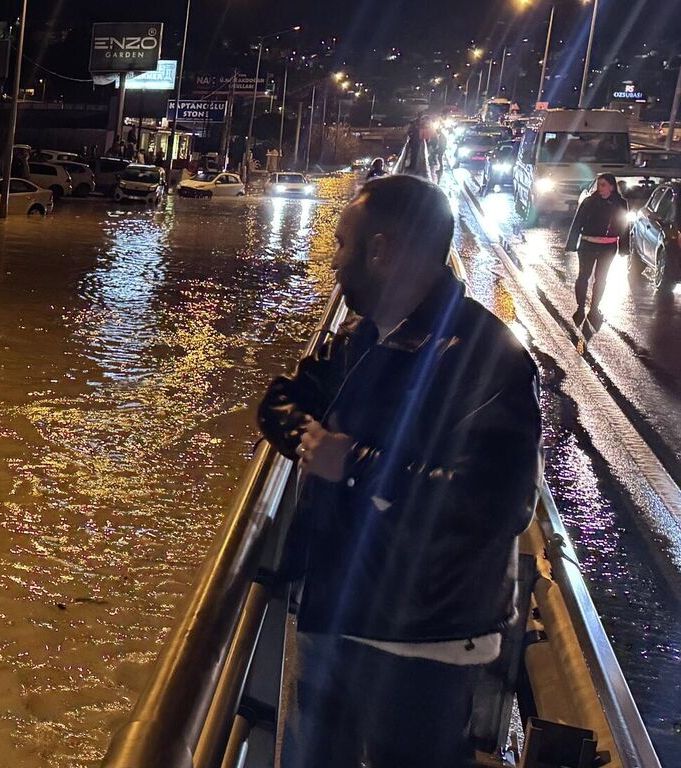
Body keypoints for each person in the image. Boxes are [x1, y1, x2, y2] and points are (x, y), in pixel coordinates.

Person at [258, 175, 541, 768]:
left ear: (380, 249)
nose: (333, 262)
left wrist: (356, 467)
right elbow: (281, 400)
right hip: (339, 611)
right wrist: (314, 442)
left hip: (424, 639)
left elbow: (497, 503)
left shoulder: (490, 359)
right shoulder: (362, 337)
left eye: (341, 243)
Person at [565, 172, 631, 327]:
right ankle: (580, 307)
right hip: (588, 244)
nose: (600, 188)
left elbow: (624, 227)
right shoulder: (589, 202)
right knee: (583, 276)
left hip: (608, 247)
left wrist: (624, 247)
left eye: (603, 185)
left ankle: (594, 308)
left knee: (601, 278)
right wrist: (572, 244)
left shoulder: (620, 203)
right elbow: (577, 222)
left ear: (612, 187)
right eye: (598, 185)